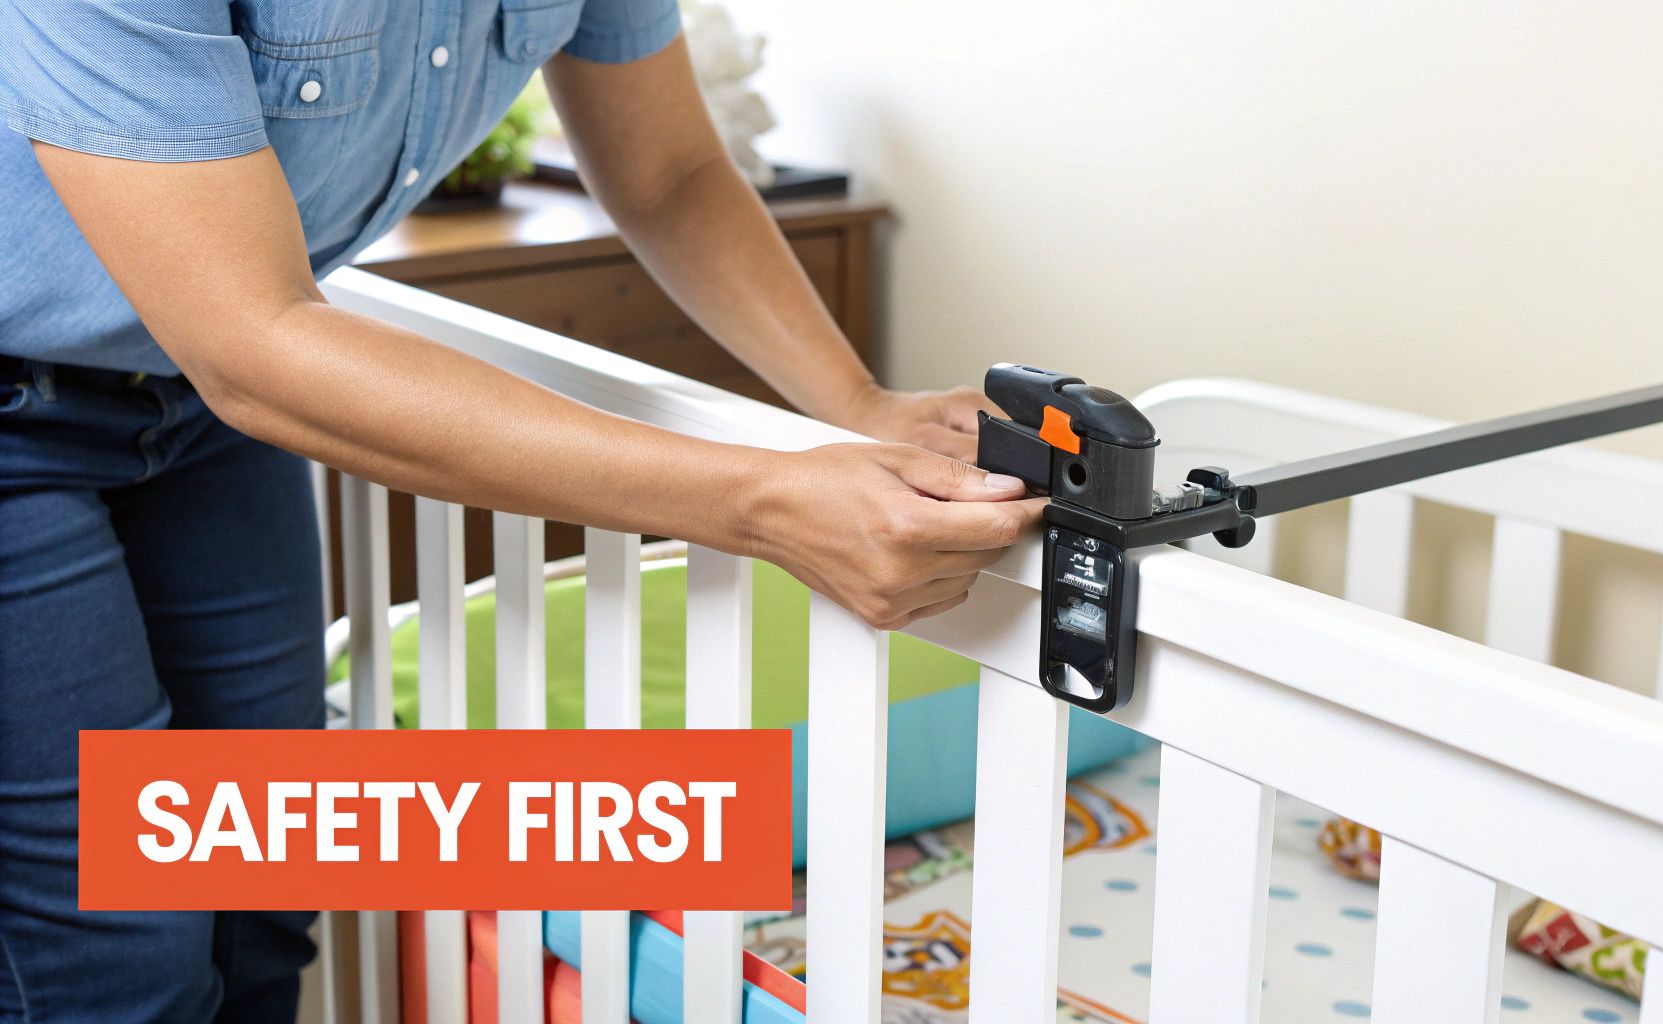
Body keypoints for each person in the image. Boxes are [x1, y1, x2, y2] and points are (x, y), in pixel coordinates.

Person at [0, 0, 1044, 1018]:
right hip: (72, 391)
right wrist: (755, 499)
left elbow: (670, 173)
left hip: (194, 399)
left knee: (259, 888)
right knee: (114, 946)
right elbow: (250, 339)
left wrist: (855, 405)